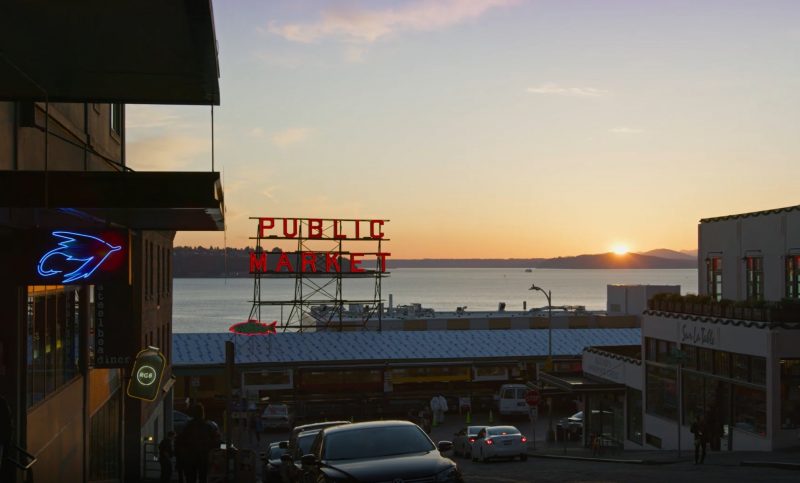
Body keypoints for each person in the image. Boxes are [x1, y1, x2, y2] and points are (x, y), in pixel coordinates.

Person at [176, 403, 220, 483]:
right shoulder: (207, 427)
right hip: (203, 457)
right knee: (202, 478)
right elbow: (215, 442)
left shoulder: (188, 427)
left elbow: (180, 441)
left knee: (191, 478)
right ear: (203, 413)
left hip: (190, 458)